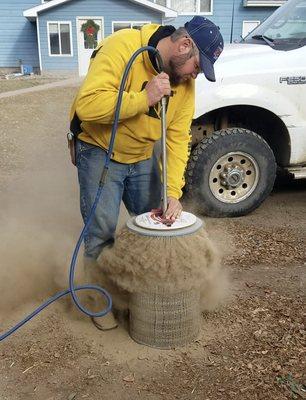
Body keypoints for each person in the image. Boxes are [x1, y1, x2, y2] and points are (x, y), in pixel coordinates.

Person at [69, 16, 224, 330]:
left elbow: (178, 137)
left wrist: (172, 193)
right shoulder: (123, 46)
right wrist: (144, 98)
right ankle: (99, 301)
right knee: (101, 232)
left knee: (155, 224)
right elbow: (88, 106)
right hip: (100, 149)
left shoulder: (185, 84)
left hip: (141, 155)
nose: (197, 74)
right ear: (183, 45)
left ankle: (142, 294)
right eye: (197, 65)